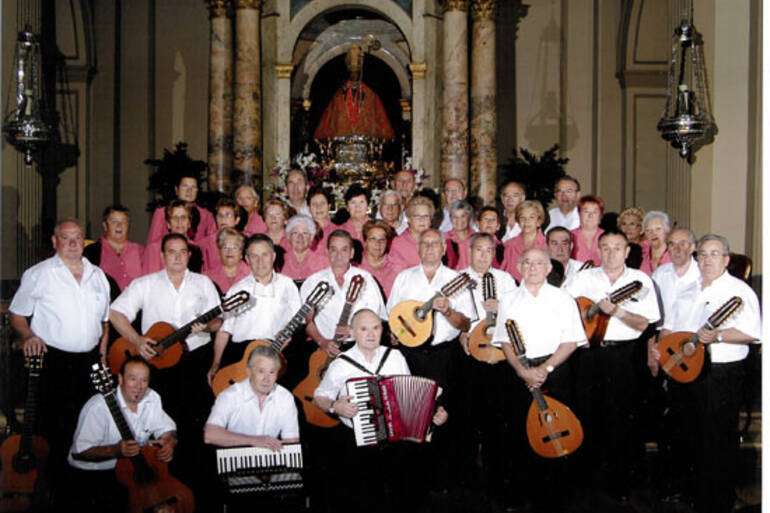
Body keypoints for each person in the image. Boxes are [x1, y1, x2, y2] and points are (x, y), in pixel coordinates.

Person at [654, 234, 760, 513]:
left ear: (726, 259)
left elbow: (751, 333)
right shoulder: (688, 290)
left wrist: (719, 336)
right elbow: (670, 328)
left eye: (714, 254)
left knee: (717, 437)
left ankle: (717, 500)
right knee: (687, 433)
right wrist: (661, 349)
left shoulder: (739, 292)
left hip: (720, 372)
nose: (707, 260)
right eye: (702, 254)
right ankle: (691, 493)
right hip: (684, 370)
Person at [9, 218, 111, 501]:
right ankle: (51, 497)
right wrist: (29, 336)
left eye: (78, 238)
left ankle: (81, 497)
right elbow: (17, 315)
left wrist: (102, 353)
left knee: (88, 431)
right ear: (55, 242)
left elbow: (104, 322)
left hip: (89, 363)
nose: (73, 243)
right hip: (53, 363)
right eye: (66, 238)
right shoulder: (39, 274)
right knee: (53, 433)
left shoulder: (98, 276)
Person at [312, 309, 447, 513]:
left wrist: (433, 413)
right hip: (358, 441)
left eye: (376, 328)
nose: (371, 334)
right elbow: (319, 397)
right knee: (366, 498)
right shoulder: (341, 364)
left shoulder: (395, 356)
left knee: (402, 495)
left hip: (397, 439)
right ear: (353, 332)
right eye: (364, 329)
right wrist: (334, 406)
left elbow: (410, 394)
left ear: (382, 330)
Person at [564, 231, 660, 502]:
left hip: (623, 356)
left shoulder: (640, 280)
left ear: (627, 251)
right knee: (587, 413)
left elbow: (644, 324)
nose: (611, 253)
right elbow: (561, 306)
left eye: (617, 248)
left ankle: (619, 484)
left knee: (621, 417)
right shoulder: (584, 277)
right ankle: (587, 483)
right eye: (605, 247)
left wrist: (617, 311)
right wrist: (584, 315)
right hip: (588, 355)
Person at [492, 248, 587, 512]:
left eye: (539, 263)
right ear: (519, 267)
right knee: (519, 431)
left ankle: (554, 498)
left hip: (555, 371)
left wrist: (545, 368)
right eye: (527, 262)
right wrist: (523, 371)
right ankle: (522, 496)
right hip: (518, 372)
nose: (532, 267)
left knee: (555, 430)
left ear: (548, 269)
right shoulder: (508, 299)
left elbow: (571, 342)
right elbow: (504, 341)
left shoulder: (563, 298)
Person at [387, 228, 476, 491]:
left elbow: (466, 323)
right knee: (410, 417)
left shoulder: (456, 279)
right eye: (424, 244)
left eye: (435, 244)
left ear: (443, 248)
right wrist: (395, 333)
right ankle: (412, 483)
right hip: (410, 356)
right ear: (418, 247)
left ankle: (441, 487)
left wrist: (448, 311)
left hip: (443, 356)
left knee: (442, 418)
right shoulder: (404, 277)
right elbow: (393, 316)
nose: (429, 248)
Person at [66, 356, 177, 513]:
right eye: (132, 379)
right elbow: (79, 452)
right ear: (120, 378)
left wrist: (169, 442)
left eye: (144, 380)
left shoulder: (152, 397)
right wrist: (116, 450)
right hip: (95, 473)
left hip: (132, 469)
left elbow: (167, 428)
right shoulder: (98, 407)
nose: (139, 387)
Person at [457, 233, 517, 504]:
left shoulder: (505, 280)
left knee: (498, 423)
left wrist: (501, 307)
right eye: (478, 250)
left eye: (488, 250)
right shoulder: (458, 279)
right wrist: (462, 331)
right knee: (468, 421)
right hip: (469, 355)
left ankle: (499, 484)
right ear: (469, 251)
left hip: (499, 357)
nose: (483, 255)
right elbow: (453, 318)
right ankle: (468, 487)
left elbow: (517, 315)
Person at [646, 228, 700, 503]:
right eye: (672, 244)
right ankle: (666, 480)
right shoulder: (660, 275)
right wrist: (652, 351)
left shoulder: (703, 276)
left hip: (690, 355)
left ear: (692, 247)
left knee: (687, 418)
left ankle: (687, 482)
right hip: (660, 349)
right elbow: (653, 318)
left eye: (683, 244)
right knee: (663, 417)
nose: (677, 248)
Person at [208, 234, 303, 390]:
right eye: (254, 256)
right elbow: (224, 331)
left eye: (265, 255)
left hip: (278, 351)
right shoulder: (238, 289)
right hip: (242, 354)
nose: (260, 261)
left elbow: (299, 322)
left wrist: (288, 335)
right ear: (247, 259)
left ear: (273, 256)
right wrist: (216, 364)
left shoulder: (287, 285)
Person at [301, 230, 387, 358]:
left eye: (344, 250)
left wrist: (355, 329)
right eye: (333, 249)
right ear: (327, 252)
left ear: (351, 253)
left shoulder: (366, 279)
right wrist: (322, 341)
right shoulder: (312, 282)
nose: (338, 255)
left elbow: (378, 317)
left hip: (359, 347)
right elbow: (307, 322)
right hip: (323, 348)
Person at [205, 345, 300, 447]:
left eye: (272, 372)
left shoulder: (285, 397)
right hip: (237, 458)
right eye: (261, 371)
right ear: (249, 372)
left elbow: (291, 442)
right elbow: (210, 435)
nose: (266, 379)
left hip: (270, 458)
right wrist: (254, 440)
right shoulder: (230, 395)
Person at [313, 44, 395, 141]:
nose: (354, 76)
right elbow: (328, 121)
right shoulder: (338, 96)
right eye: (352, 73)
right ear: (348, 73)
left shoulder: (371, 95)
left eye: (356, 73)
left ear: (360, 73)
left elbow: (382, 123)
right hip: (342, 143)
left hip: (365, 143)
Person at [83, 204, 144, 293]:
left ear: (128, 225)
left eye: (124, 221)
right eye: (114, 221)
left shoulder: (140, 251)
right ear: (105, 225)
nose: (119, 225)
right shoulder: (92, 252)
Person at [146, 172, 216, 245]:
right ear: (177, 190)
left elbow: (212, 245)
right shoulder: (161, 213)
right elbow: (152, 245)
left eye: (193, 187)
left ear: (197, 191)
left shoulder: (207, 216)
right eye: (185, 186)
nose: (189, 191)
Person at [142, 200, 203, 274]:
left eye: (183, 217)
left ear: (189, 223)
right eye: (175, 217)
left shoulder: (196, 249)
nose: (179, 222)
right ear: (168, 224)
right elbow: (149, 282)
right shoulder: (153, 249)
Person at [502, 200, 547, 282]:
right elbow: (504, 274)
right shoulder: (509, 245)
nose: (527, 221)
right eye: (523, 218)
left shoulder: (547, 245)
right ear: (518, 221)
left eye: (531, 217)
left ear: (539, 221)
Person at [389, 195, 435, 269]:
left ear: (431, 220)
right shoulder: (398, 243)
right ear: (409, 219)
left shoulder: (437, 240)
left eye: (426, 216)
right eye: (417, 216)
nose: (422, 220)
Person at [358, 220, 401, 299]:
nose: (377, 244)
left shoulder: (398, 266)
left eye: (382, 239)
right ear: (365, 242)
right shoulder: (356, 267)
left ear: (387, 243)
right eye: (373, 239)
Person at [204, 227, 250, 296]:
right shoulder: (207, 277)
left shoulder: (252, 275)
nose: (229, 251)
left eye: (234, 247)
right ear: (219, 252)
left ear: (241, 252)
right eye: (225, 247)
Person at [282, 214, 328, 283]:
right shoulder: (280, 261)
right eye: (295, 233)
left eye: (305, 233)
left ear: (311, 237)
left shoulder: (323, 262)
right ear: (288, 237)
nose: (300, 237)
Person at [201, 198, 242, 272]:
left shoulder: (244, 241)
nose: (223, 219)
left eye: (228, 215)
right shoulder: (205, 244)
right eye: (220, 215)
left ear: (237, 220)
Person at [570, 195, 604, 265]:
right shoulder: (569, 235)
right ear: (579, 214)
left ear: (600, 216)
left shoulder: (608, 236)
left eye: (595, 212)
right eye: (586, 212)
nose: (590, 215)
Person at [444, 200, 475, 270]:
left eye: (463, 216)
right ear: (450, 218)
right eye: (455, 217)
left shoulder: (478, 238)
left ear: (469, 217)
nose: (459, 220)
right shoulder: (444, 239)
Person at [640, 210, 672, 275]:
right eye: (648, 230)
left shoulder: (674, 254)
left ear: (667, 231)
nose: (653, 233)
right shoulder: (639, 254)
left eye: (658, 229)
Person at [308, 185, 336, 253]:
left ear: (329, 206)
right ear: (309, 208)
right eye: (314, 204)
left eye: (322, 203)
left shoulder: (337, 231)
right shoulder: (303, 231)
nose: (318, 207)